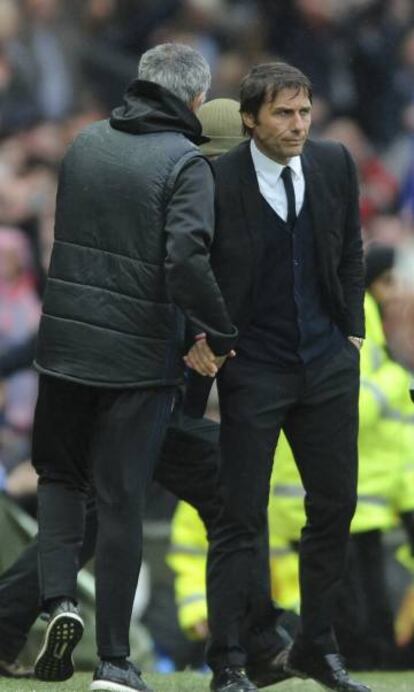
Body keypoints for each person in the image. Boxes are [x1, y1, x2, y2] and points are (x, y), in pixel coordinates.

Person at [30, 44, 238, 692]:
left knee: (60, 479)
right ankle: (114, 664)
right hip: (137, 360)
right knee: (120, 504)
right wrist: (218, 330)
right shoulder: (186, 163)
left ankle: (57, 601)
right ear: (195, 100)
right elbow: (184, 260)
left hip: (63, 345)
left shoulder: (84, 144)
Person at [184, 62, 368, 692]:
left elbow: (350, 250)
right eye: (284, 114)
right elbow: (188, 261)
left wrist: (352, 334)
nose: (297, 125)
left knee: (335, 505)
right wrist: (202, 334)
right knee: (239, 515)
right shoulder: (214, 177)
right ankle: (230, 661)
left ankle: (317, 647)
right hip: (253, 366)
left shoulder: (333, 163)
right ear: (250, 119)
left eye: (304, 112)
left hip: (326, 363)